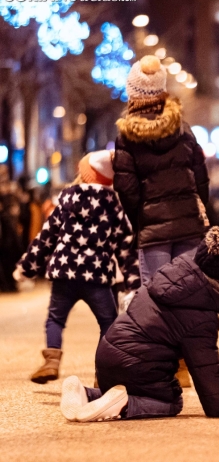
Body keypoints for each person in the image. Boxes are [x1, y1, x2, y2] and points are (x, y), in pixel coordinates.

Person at [58, 227, 219, 422]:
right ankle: (125, 406)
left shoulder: (171, 274)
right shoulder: (201, 314)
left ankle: (85, 393)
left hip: (107, 356)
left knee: (129, 389)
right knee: (172, 401)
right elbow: (204, 366)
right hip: (137, 367)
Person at [14, 151, 141, 384]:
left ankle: (51, 360)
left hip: (64, 273)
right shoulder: (114, 205)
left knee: (55, 318)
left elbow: (47, 236)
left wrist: (27, 267)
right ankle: (104, 373)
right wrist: (133, 286)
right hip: (97, 277)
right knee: (108, 324)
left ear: (84, 175)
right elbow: (126, 247)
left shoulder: (66, 200)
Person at [112, 55, 210, 287]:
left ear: (132, 92)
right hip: (188, 226)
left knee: (157, 297)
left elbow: (127, 189)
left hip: (152, 230)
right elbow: (201, 179)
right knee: (187, 294)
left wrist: (140, 220)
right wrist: (199, 214)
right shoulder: (183, 129)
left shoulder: (127, 137)